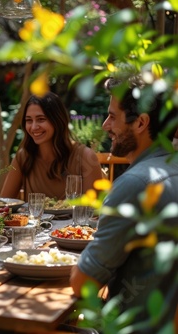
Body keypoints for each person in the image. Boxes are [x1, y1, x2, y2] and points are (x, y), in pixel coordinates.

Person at [70, 77, 178, 331]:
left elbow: (82, 283)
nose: (106, 125)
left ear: (141, 122)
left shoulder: (135, 184)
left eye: (112, 117)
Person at [0, 92, 103, 200]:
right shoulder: (23, 157)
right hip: (32, 217)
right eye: (29, 120)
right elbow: (4, 205)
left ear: (57, 121)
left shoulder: (85, 157)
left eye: (41, 119)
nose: (34, 127)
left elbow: (93, 212)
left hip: (75, 217)